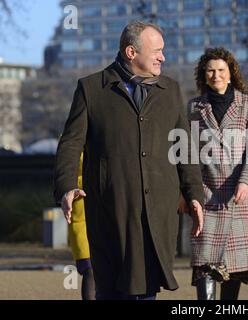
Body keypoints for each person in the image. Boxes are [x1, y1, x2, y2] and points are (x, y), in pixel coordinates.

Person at [54, 21, 204, 300]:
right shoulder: (91, 89)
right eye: (157, 51)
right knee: (110, 292)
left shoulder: (170, 90)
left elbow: (185, 148)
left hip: (157, 214)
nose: (163, 57)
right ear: (131, 52)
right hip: (110, 214)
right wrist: (65, 187)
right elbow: (70, 144)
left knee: (146, 292)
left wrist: (194, 193)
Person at [184, 47, 248, 300]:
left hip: (239, 198)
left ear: (231, 73)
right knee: (206, 265)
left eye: (221, 70)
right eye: (210, 70)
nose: (215, 75)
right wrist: (188, 192)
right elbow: (188, 154)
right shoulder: (194, 107)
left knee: (234, 268)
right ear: (203, 75)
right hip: (206, 196)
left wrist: (245, 182)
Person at [68, 152, 95, 300]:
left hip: (105, 214)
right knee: (89, 269)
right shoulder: (71, 139)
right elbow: (65, 172)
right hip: (81, 217)